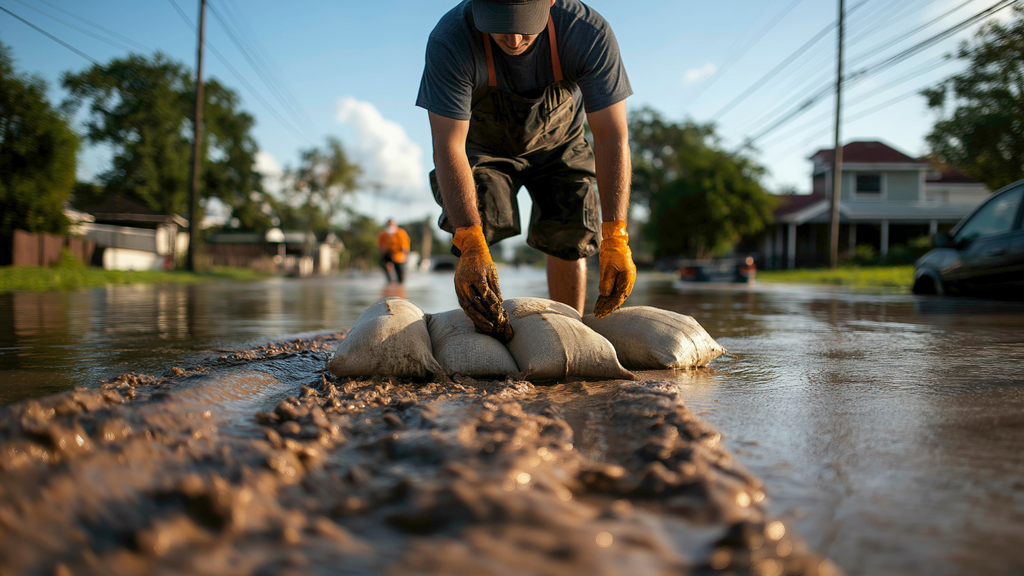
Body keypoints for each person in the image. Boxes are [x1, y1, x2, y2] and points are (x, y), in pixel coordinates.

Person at [418, 0, 636, 343]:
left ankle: (569, 334)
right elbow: (448, 145)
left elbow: (611, 135)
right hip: (483, 148)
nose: (514, 39)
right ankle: (488, 337)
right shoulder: (452, 40)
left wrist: (615, 233)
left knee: (570, 230)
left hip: (561, 143)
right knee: (477, 224)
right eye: (500, 24)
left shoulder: (586, 33)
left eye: (525, 25)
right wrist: (469, 237)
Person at [376, 219, 411, 283]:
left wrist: (405, 255)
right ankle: (390, 280)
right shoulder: (383, 233)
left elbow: (405, 245)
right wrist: (382, 251)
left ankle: (400, 283)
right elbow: (379, 244)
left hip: (398, 254)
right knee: (384, 264)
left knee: (400, 272)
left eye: (391, 225)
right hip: (388, 253)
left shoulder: (401, 233)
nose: (390, 226)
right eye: (388, 225)